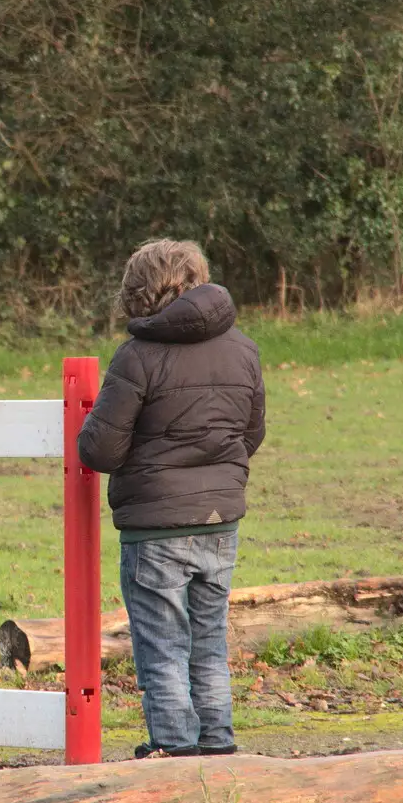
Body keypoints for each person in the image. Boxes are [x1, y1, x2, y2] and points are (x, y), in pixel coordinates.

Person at [77, 240, 265, 759]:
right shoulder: (243, 349)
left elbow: (101, 450)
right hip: (218, 523)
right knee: (208, 642)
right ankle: (217, 742)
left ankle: (175, 749)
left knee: (161, 647)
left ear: (138, 293)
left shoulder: (138, 357)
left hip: (156, 531)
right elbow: (251, 433)